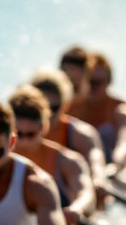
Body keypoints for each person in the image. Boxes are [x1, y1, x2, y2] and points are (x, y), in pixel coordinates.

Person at [8, 85, 96, 225]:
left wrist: (77, 208)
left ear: (44, 128)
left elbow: (86, 192)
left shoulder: (68, 160)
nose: (24, 142)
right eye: (19, 134)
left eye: (30, 135)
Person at [29, 67, 107, 201]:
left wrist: (98, 177)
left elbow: (95, 157)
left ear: (65, 105)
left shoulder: (81, 134)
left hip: (68, 201)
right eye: (42, 109)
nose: (48, 115)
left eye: (54, 108)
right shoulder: (18, 133)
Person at [69, 52, 126, 165]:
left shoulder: (119, 108)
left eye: (98, 82)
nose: (94, 87)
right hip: (82, 165)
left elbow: (123, 140)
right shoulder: (72, 107)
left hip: (114, 165)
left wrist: (119, 157)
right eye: (91, 82)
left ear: (108, 81)